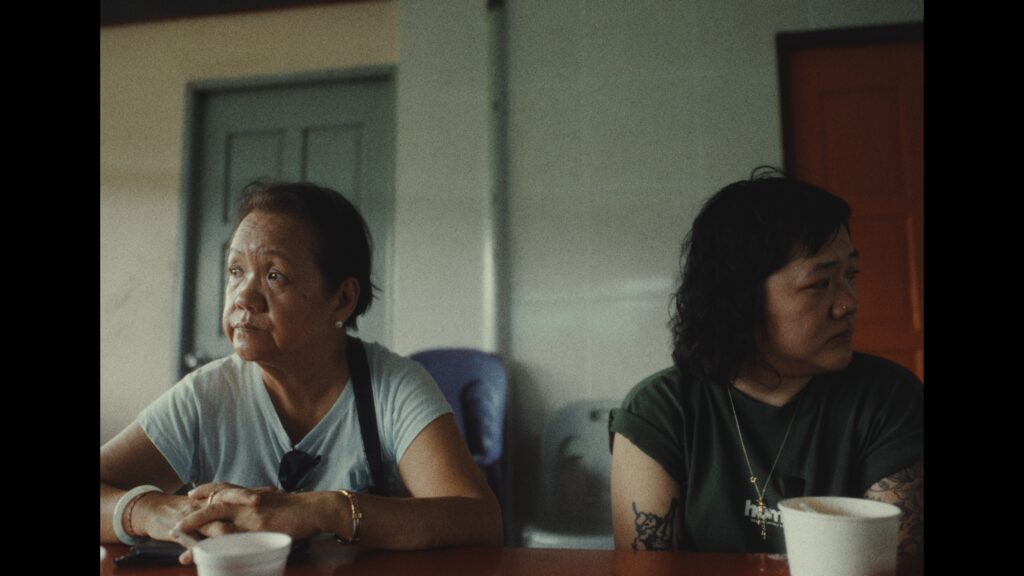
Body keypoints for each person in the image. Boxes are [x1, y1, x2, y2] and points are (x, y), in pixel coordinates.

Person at [100, 181, 502, 563]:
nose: (243, 297)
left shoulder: (393, 387)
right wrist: (147, 510)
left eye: (275, 276)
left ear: (342, 299)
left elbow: (479, 521)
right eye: (236, 271)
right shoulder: (207, 394)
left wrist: (325, 509)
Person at [609, 170, 923, 563]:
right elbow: (647, 571)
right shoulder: (661, 410)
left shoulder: (889, 399)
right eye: (820, 284)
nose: (849, 303)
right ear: (742, 298)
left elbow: (893, 564)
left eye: (851, 276)